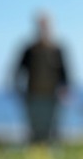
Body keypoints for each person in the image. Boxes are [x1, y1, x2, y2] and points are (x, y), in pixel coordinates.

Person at [14, 12, 69, 143]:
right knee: (35, 130)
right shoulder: (30, 50)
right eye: (40, 26)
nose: (43, 29)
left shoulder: (57, 49)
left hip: (52, 96)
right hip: (33, 96)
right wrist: (20, 91)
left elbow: (65, 74)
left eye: (46, 26)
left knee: (51, 132)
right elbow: (18, 72)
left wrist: (64, 91)